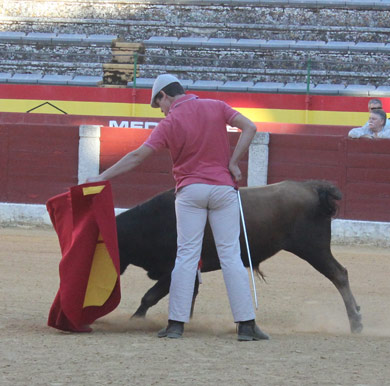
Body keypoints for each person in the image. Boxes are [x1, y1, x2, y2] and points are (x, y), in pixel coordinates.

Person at [86, 74, 269, 341]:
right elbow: (250, 127)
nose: (161, 110)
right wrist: (233, 162)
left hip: (190, 191)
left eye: (158, 104)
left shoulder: (170, 122)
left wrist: (102, 177)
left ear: (165, 96)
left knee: (186, 256)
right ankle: (246, 325)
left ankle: (175, 325)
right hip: (222, 189)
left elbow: (138, 156)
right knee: (230, 255)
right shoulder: (216, 106)